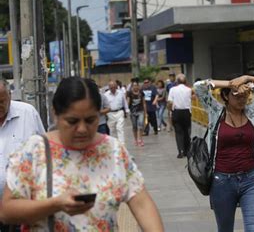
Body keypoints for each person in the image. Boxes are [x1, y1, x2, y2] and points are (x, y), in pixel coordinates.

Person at [0, 77, 164, 231]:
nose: (82, 129)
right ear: (55, 114)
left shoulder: (113, 150)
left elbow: (142, 204)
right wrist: (55, 204)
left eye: (90, 120)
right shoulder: (34, 151)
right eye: (72, 121)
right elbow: (7, 211)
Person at [194, 75, 254, 232]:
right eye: (237, 95)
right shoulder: (215, 111)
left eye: (245, 95)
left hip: (251, 180)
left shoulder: (252, 110)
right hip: (222, 182)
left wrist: (247, 78)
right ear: (226, 96)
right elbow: (198, 87)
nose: (242, 99)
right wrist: (230, 84)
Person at [0, 79, 46, 231]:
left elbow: (45, 151)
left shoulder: (27, 114)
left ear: (10, 95)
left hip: (22, 205)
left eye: (1, 101)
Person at [167, 74, 192, 158]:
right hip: (186, 112)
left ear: (177, 81)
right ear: (185, 81)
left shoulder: (172, 89)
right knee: (186, 132)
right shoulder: (189, 90)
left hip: (176, 112)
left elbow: (170, 102)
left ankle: (180, 151)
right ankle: (187, 151)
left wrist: (170, 111)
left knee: (178, 132)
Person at [127, 81, 146, 147]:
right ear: (132, 87)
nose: (135, 87)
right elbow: (128, 102)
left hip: (140, 111)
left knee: (140, 125)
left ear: (138, 86)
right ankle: (135, 140)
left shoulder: (141, 93)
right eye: (134, 86)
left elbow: (144, 103)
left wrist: (145, 112)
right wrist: (127, 109)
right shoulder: (130, 93)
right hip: (133, 112)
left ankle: (140, 139)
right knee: (134, 126)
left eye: (136, 85)